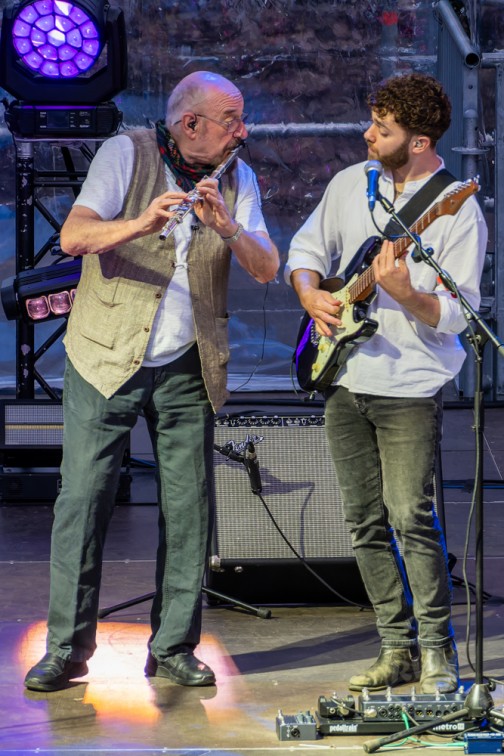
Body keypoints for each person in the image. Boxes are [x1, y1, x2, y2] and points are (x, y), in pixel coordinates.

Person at [24, 70, 280, 692]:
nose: (242, 132)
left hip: (188, 363)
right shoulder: (127, 153)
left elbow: (267, 267)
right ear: (190, 124)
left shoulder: (238, 179)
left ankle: (172, 648)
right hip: (105, 356)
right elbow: (74, 236)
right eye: (230, 120)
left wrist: (228, 227)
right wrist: (140, 223)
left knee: (190, 507)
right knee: (84, 502)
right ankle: (66, 649)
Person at [285, 72, 487, 693]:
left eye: (383, 128)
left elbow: (457, 313)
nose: (368, 135)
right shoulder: (352, 183)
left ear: (420, 142)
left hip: (410, 386)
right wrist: (311, 294)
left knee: (411, 517)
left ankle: (438, 653)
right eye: (373, 122)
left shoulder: (456, 207)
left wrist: (405, 293)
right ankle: (395, 648)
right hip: (346, 376)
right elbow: (305, 249)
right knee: (363, 522)